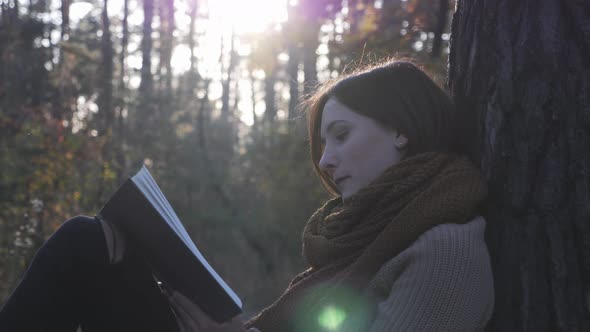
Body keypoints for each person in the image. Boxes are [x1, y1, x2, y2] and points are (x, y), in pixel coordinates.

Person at [0, 59, 494, 331]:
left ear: (401, 130)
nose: (324, 160)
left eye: (341, 135)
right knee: (94, 242)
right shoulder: (362, 237)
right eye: (323, 144)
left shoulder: (445, 250)